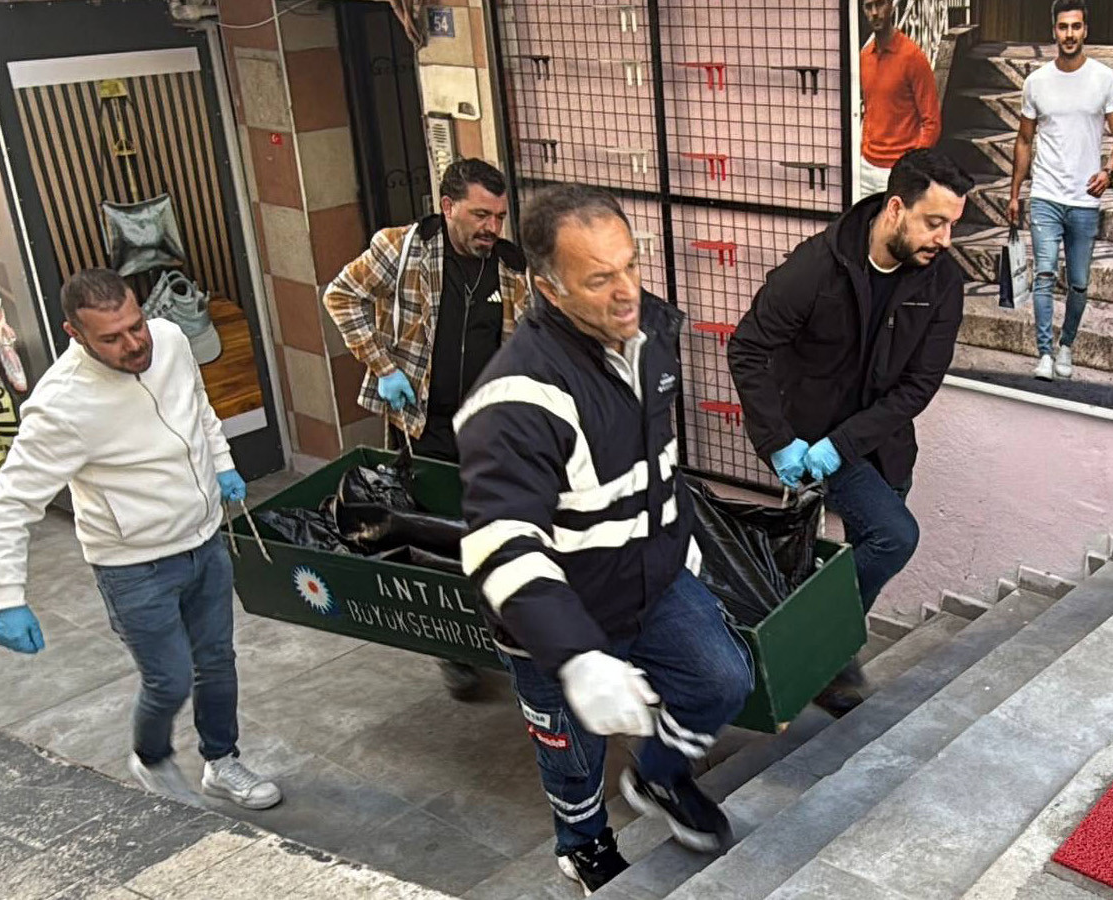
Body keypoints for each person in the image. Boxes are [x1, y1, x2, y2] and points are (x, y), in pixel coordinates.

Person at [456, 184, 753, 893]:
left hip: (652, 582)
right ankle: (583, 843)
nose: (627, 292)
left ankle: (657, 776)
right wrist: (580, 658)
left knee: (723, 678)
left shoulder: (648, 335)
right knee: (572, 748)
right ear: (549, 290)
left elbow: (655, 460)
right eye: (599, 278)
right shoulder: (516, 401)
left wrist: (680, 544)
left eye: (630, 265)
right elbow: (501, 543)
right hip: (560, 617)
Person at [0, 267, 281, 811]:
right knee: (168, 681)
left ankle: (222, 760)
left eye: (135, 325)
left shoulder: (169, 339)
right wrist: (7, 598)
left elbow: (200, 410)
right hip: (134, 565)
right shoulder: (61, 407)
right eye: (112, 338)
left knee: (216, 661)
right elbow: (11, 501)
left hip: (205, 541)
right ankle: (151, 755)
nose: (133, 344)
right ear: (75, 334)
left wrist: (222, 463)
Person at [729, 148, 971, 714]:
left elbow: (918, 385)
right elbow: (748, 348)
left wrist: (845, 444)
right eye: (934, 222)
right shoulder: (816, 267)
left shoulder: (942, 283)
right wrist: (776, 439)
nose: (945, 239)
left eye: (952, 225)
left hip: (879, 443)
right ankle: (809, 650)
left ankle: (824, 654)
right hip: (805, 435)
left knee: (877, 545)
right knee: (895, 536)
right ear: (895, 209)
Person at [323, 158, 531, 701]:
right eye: (480, 215)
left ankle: (502, 634)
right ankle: (454, 646)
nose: (492, 228)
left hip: (489, 431)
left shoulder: (512, 269)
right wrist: (383, 367)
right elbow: (341, 296)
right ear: (448, 207)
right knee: (437, 530)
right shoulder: (405, 247)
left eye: (500, 216)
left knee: (493, 531)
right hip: (423, 426)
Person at [1007, 0, 1113, 383]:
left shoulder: (1103, 78)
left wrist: (1109, 171)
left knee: (1078, 281)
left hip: (1084, 200)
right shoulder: (1037, 81)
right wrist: (1014, 193)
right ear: (1054, 31)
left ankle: (1066, 346)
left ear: (1085, 30)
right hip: (1045, 194)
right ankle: (1044, 352)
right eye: (1063, 27)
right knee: (1044, 275)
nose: (1070, 34)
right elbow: (1024, 140)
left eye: (1076, 27)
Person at [858, 0, 941, 199]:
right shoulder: (864, 57)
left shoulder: (912, 57)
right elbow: (870, 109)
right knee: (863, 228)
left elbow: (932, 122)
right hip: (865, 167)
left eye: (880, 5)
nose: (875, 13)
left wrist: (910, 166)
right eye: (869, 7)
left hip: (898, 169)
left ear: (891, 6)